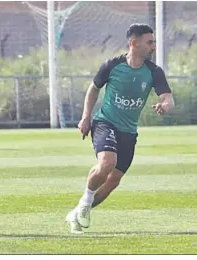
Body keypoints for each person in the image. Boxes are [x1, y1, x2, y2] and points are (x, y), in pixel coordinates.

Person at [66, 23, 175, 234]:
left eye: (153, 42)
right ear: (134, 43)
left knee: (113, 180)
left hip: (129, 131)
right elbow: (93, 88)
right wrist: (85, 117)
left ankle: (79, 210)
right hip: (105, 122)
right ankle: (86, 202)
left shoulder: (154, 72)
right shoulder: (112, 65)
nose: (153, 47)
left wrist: (165, 105)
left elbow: (168, 98)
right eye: (149, 42)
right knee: (107, 163)